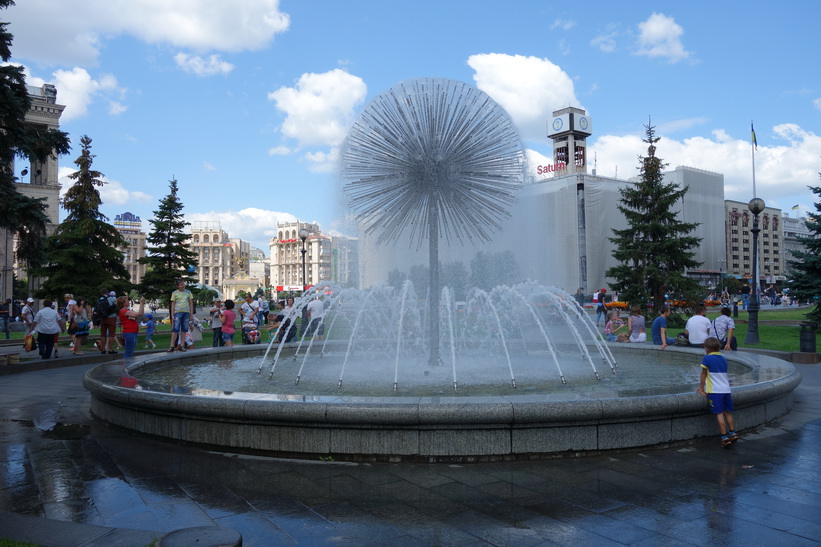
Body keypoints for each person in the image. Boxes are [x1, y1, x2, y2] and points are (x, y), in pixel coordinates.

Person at [697, 337, 740, 448]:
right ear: (719, 347)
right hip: (726, 390)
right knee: (728, 412)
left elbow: (703, 374)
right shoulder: (723, 358)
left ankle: (724, 437)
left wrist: (701, 388)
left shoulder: (707, 359)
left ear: (706, 349)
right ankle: (733, 433)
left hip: (715, 391)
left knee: (719, 413)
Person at [168, 280, 194, 353]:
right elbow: (173, 304)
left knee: (184, 329)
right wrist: (172, 314)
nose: (183, 285)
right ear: (177, 286)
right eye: (181, 285)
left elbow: (191, 304)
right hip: (177, 312)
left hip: (186, 312)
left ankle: (182, 345)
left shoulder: (188, 292)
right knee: (175, 329)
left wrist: (191, 314)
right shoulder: (175, 293)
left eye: (183, 284)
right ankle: (172, 346)